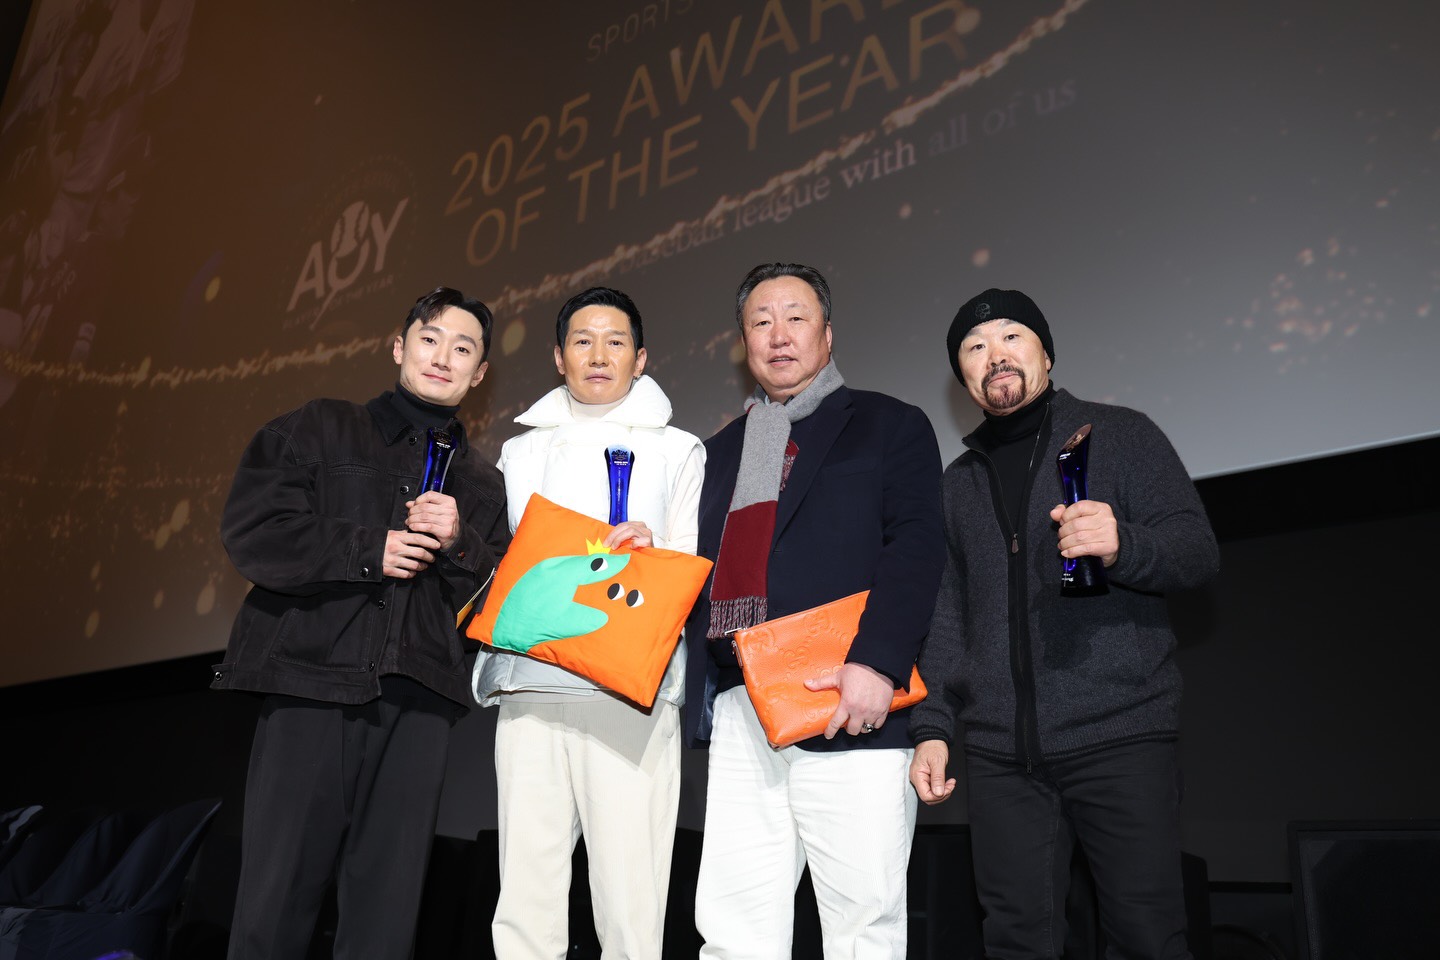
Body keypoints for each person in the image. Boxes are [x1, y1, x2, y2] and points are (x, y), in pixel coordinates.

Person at [908, 288, 1220, 959]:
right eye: (974, 347)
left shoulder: (1122, 435)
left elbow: (1197, 551)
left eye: (1012, 337)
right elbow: (947, 616)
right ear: (963, 376)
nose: (995, 355)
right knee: (1015, 943)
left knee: (1146, 939)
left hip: (1120, 734)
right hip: (1000, 755)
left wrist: (1123, 544)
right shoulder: (957, 484)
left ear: (1046, 354)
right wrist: (932, 726)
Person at [214, 286, 509, 960]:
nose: (443, 357)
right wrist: (366, 549)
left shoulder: (484, 486)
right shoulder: (321, 427)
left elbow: (495, 606)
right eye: (430, 339)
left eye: (463, 348)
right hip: (310, 682)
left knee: (386, 913)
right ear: (399, 347)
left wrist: (461, 543)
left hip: (420, 701)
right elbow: (254, 530)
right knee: (276, 898)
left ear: (480, 374)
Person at [683, 262, 945, 958]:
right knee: (735, 928)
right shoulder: (715, 454)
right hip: (741, 704)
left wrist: (877, 664)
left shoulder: (890, 424)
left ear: (827, 334)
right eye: (760, 321)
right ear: (744, 342)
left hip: (847, 697)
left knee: (862, 923)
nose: (779, 335)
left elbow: (917, 549)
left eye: (795, 318)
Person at [473, 286, 704, 959]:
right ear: (558, 357)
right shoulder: (519, 453)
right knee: (526, 893)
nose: (598, 355)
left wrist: (652, 552)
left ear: (641, 358)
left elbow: (692, 564)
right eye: (582, 340)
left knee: (631, 899)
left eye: (615, 341)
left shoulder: (679, 449)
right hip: (530, 684)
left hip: (631, 692)